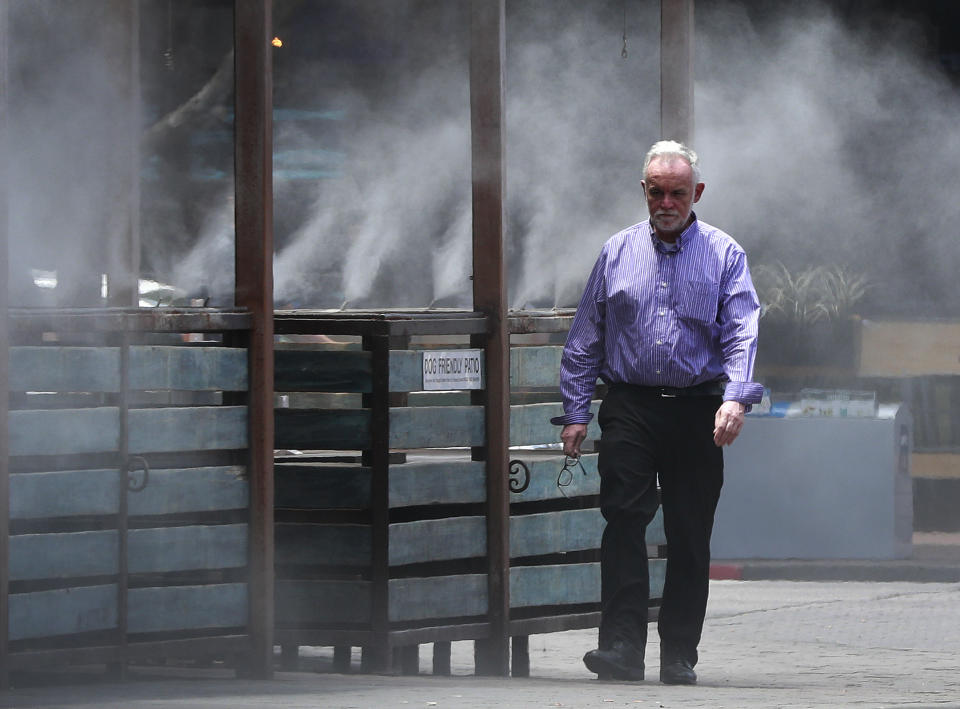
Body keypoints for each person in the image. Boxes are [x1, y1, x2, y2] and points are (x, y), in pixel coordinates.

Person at [552, 140, 762, 685]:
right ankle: (621, 645)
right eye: (656, 192)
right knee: (624, 517)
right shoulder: (617, 251)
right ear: (643, 191)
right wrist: (576, 411)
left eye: (676, 193)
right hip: (632, 404)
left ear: (697, 193)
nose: (666, 202)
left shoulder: (724, 254)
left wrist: (735, 398)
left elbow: (743, 330)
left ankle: (679, 654)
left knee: (690, 532)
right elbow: (585, 337)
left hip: (698, 407)